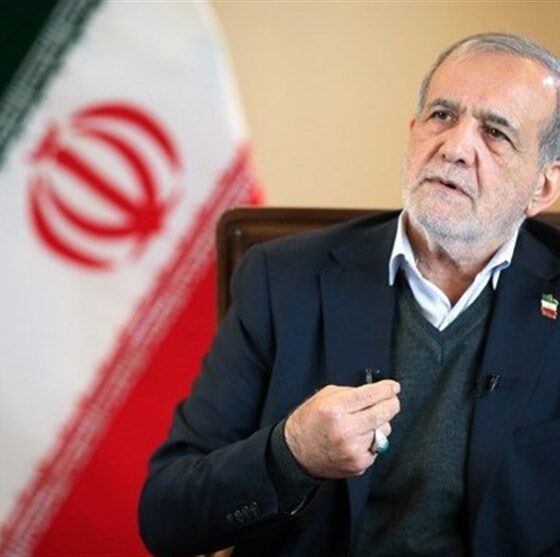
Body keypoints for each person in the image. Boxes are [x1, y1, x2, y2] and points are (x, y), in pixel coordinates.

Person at [139, 33, 560, 557]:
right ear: (412, 133)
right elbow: (167, 514)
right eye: (442, 116)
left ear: (543, 187)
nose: (454, 148)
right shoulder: (282, 279)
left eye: (495, 133)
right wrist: (290, 453)